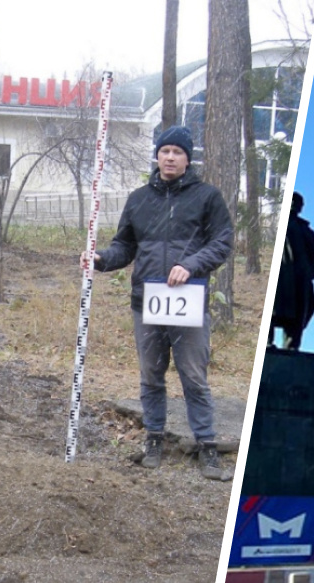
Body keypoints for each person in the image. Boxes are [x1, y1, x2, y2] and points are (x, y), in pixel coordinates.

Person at [82, 125, 233, 479]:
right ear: (157, 156)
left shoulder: (207, 197)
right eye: (164, 151)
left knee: (193, 376)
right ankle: (153, 438)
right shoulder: (138, 199)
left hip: (189, 302)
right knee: (151, 375)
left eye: (177, 152)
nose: (169, 157)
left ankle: (207, 447)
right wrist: (101, 259)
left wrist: (191, 266)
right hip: (146, 302)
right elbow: (125, 246)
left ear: (187, 158)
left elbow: (222, 242)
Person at [270, 191, 314, 349]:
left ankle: (291, 346)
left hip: (300, 279)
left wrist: (308, 273)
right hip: (281, 276)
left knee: (303, 311)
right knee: (273, 309)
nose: (297, 206)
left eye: (299, 204)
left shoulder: (306, 230)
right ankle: (267, 342)